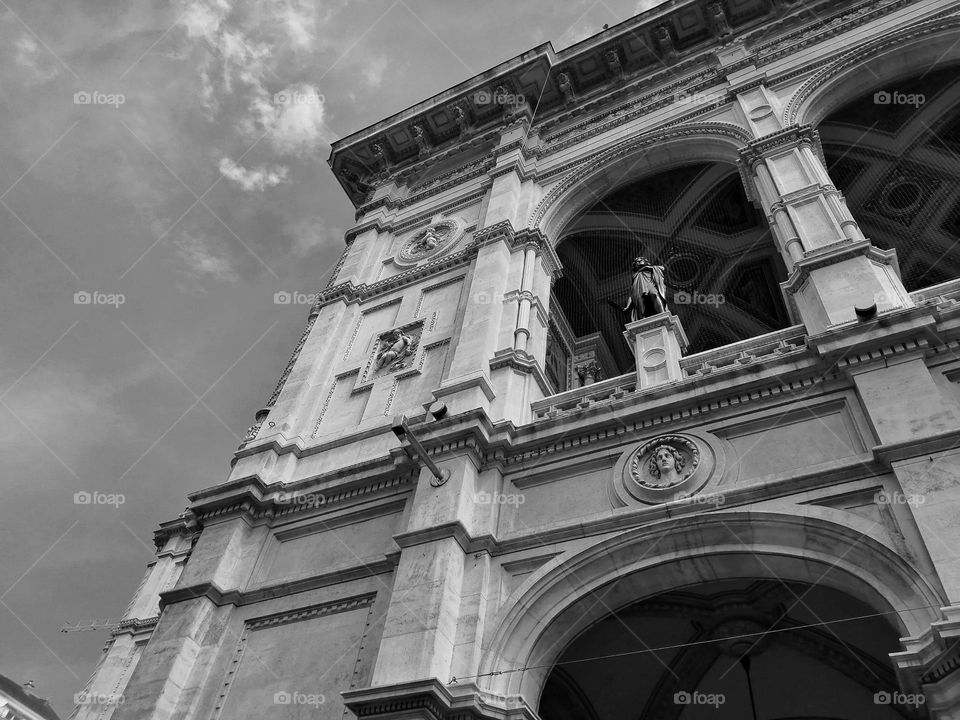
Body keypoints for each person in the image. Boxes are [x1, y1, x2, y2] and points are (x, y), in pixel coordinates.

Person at [623, 256, 667, 322]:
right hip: (638, 290)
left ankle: (663, 314)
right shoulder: (635, 276)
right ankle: (642, 320)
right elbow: (631, 294)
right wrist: (628, 306)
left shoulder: (650, 268)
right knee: (640, 303)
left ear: (645, 261)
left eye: (640, 260)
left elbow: (663, 268)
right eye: (636, 262)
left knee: (654, 294)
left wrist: (646, 267)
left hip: (649, 284)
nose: (638, 262)